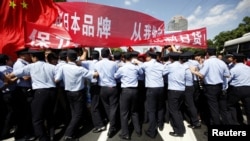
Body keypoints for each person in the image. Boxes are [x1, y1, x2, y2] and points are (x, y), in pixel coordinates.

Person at [8, 49, 57, 141]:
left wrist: (7, 78)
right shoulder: (52, 67)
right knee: (49, 114)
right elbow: (57, 78)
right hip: (53, 92)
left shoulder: (31, 66)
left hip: (40, 93)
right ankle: (51, 135)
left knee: (37, 118)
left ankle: (43, 138)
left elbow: (13, 74)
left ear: (34, 57)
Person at [55, 49, 98, 141]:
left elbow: (57, 79)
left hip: (68, 92)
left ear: (67, 58)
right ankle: (68, 134)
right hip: (78, 93)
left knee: (73, 112)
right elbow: (93, 75)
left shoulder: (63, 67)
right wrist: (98, 72)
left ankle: (73, 131)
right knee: (78, 114)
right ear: (76, 58)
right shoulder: (80, 69)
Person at [190, 47, 230, 125]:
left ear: (207, 54)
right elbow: (227, 75)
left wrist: (193, 71)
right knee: (222, 109)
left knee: (213, 109)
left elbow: (201, 75)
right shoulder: (222, 62)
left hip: (210, 87)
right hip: (220, 86)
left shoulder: (208, 62)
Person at [114, 52, 143, 140]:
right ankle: (138, 131)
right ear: (131, 58)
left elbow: (115, 76)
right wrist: (138, 63)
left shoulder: (122, 68)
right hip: (135, 90)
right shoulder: (136, 67)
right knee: (134, 111)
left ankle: (125, 134)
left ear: (123, 58)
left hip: (125, 91)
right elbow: (141, 73)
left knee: (124, 113)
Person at [136, 51, 165, 139]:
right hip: (161, 88)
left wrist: (136, 61)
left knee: (151, 110)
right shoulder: (161, 65)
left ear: (149, 57)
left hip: (151, 89)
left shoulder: (146, 64)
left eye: (146, 57)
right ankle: (160, 124)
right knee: (160, 107)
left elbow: (140, 68)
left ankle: (152, 131)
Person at [94, 48, 119, 138]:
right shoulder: (114, 64)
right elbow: (117, 75)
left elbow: (96, 75)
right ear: (109, 54)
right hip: (112, 87)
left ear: (101, 55)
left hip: (102, 88)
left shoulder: (97, 64)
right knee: (113, 107)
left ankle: (112, 123)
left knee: (107, 107)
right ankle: (112, 126)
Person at [12, 48, 35, 140]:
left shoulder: (26, 63)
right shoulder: (19, 64)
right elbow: (24, 77)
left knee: (28, 112)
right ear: (22, 55)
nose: (30, 56)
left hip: (27, 89)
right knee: (25, 112)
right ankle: (24, 133)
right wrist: (36, 74)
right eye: (28, 54)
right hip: (23, 90)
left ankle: (29, 131)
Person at [81, 50, 106, 133]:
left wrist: (84, 52)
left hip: (93, 86)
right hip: (102, 85)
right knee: (100, 104)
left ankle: (100, 126)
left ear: (91, 56)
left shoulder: (88, 63)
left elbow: (80, 60)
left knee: (94, 107)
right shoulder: (102, 63)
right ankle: (103, 119)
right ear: (99, 56)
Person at [164, 52, 187, 137]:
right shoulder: (183, 66)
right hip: (182, 90)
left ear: (170, 58)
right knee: (178, 110)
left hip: (173, 90)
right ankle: (182, 128)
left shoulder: (170, 66)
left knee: (173, 111)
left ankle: (178, 131)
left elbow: (162, 73)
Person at [227, 53, 250, 125]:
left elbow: (228, 80)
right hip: (248, 89)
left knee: (230, 105)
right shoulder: (248, 68)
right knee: (248, 107)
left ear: (235, 60)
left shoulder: (233, 69)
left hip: (236, 90)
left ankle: (235, 122)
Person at [179, 52, 201, 129]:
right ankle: (193, 120)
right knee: (191, 104)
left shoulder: (183, 66)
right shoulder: (192, 64)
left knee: (190, 104)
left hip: (186, 87)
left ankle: (195, 122)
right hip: (192, 85)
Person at [0, 54, 16, 139]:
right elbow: (8, 81)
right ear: (6, 61)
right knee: (9, 113)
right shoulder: (8, 69)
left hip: (3, 94)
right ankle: (5, 132)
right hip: (9, 93)